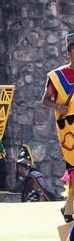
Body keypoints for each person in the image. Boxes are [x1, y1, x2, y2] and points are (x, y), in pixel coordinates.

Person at [40, 32, 74, 224]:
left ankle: (67, 208)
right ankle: (68, 209)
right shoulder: (57, 76)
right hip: (69, 129)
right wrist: (58, 106)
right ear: (70, 52)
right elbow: (44, 101)